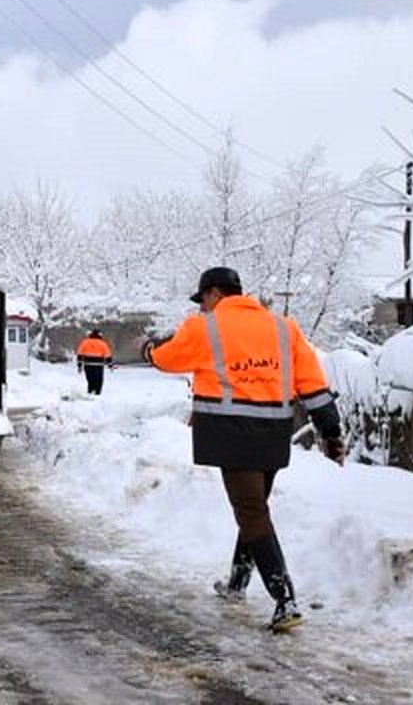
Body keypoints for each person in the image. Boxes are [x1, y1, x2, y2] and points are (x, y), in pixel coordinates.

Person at [141, 266, 344, 633]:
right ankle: (237, 584)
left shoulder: (204, 326)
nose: (202, 307)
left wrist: (149, 351)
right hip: (273, 434)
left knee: (251, 512)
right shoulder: (285, 328)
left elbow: (168, 359)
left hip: (230, 432)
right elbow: (312, 385)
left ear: (215, 294)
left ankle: (286, 601)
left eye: (203, 299)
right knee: (255, 509)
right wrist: (332, 432)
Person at [76, 329, 114, 395]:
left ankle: (90, 392)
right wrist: (110, 365)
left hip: (88, 365)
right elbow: (108, 355)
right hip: (98, 365)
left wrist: (79, 365)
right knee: (98, 381)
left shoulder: (85, 342)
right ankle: (97, 393)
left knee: (90, 380)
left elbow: (79, 354)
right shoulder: (103, 343)